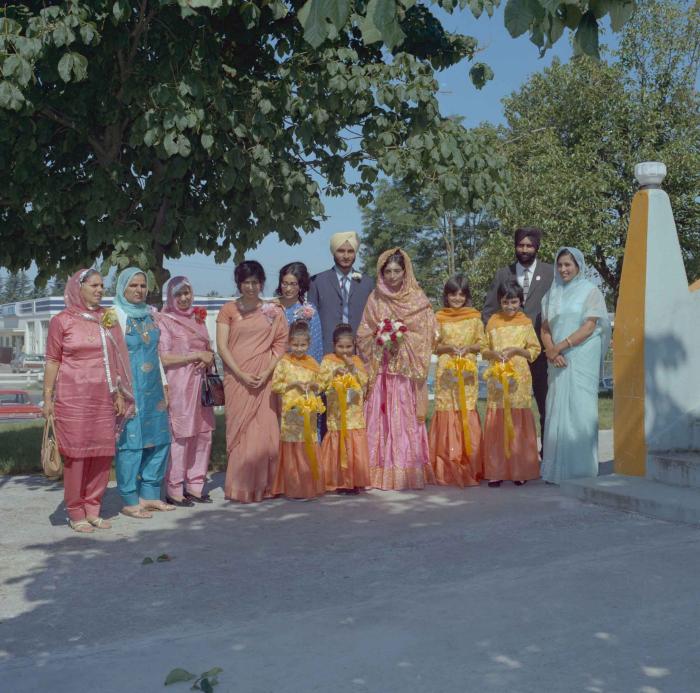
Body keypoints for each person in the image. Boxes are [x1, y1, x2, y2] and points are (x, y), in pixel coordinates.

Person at [43, 269, 133, 533]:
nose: (99, 289)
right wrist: (47, 398)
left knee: (102, 454)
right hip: (73, 398)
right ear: (77, 287)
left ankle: (93, 507)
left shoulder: (107, 318)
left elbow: (116, 359)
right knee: (77, 456)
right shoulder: (62, 320)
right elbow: (53, 360)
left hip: (103, 397)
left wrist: (118, 393)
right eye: (94, 285)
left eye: (102, 285)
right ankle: (75, 510)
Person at [357, 248, 437, 490]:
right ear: (381, 273)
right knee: (378, 419)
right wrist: (381, 339)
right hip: (381, 372)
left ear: (405, 272)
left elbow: (427, 334)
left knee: (403, 418)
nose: (392, 276)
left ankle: (405, 470)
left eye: (397, 271)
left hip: (404, 375)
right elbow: (363, 333)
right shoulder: (375, 299)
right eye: (387, 271)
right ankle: (376, 470)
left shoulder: (418, 299)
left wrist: (400, 340)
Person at [216, 261, 288, 502]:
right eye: (246, 282)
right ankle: (241, 486)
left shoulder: (274, 311)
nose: (251, 287)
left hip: (264, 378)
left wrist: (267, 372)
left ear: (262, 283)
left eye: (255, 282)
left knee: (266, 430)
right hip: (237, 378)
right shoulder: (228, 310)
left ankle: (267, 486)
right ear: (239, 284)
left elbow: (280, 345)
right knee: (240, 431)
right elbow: (222, 347)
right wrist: (240, 374)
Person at [540, 247, 611, 484]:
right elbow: (545, 328)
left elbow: (590, 326)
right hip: (557, 359)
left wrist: (559, 347)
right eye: (560, 265)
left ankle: (580, 470)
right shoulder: (550, 295)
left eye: (568, 264)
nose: (563, 269)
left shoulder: (590, 291)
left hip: (581, 356)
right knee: (556, 408)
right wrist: (552, 351)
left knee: (580, 409)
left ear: (578, 266)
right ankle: (555, 470)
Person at [483, 228, 554, 441]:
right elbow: (488, 311)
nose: (524, 249)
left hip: (540, 351)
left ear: (536, 247)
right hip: (507, 359)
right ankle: (509, 455)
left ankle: (547, 452)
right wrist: (498, 341)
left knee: (545, 403)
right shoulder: (503, 273)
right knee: (507, 407)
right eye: (520, 245)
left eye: (529, 245)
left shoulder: (550, 273)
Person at [114, 267, 173, 518]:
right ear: (122, 288)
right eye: (133, 286)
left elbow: (155, 353)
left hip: (153, 387)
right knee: (131, 443)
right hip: (128, 388)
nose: (139, 290)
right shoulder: (114, 315)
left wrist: (165, 383)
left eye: (142, 286)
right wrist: (116, 390)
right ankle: (129, 499)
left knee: (160, 439)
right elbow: (111, 355)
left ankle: (149, 494)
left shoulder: (150, 315)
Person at [158, 276, 216, 506]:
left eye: (187, 293)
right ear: (171, 297)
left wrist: (208, 359)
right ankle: (174, 489)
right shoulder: (165, 320)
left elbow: (208, 349)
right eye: (178, 294)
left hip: (201, 386)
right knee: (181, 436)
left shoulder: (198, 318)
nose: (184, 298)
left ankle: (195, 485)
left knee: (203, 435)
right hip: (180, 386)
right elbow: (164, 357)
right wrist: (195, 356)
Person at [481, 279, 541, 487]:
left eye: (514, 302)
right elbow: (483, 349)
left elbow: (534, 350)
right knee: (498, 420)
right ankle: (496, 470)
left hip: (519, 378)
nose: (510, 307)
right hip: (497, 377)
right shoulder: (492, 322)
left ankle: (519, 469)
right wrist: (493, 354)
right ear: (500, 301)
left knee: (516, 420)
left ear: (521, 301)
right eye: (506, 302)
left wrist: (516, 351)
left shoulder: (525, 323)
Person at [429, 275, 484, 487]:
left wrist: (469, 348)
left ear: (467, 296)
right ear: (446, 295)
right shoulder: (438, 317)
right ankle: (445, 467)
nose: (457, 298)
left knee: (466, 409)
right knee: (447, 409)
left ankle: (470, 464)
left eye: (461, 294)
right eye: (453, 294)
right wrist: (448, 349)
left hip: (467, 371)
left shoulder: (474, 318)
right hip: (446, 370)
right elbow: (433, 345)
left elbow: (483, 343)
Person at [271, 320, 326, 499]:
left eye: (303, 345)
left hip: (308, 414)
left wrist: (313, 385)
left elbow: (322, 384)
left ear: (309, 344)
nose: (299, 348)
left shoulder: (312, 362)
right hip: (291, 414)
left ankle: (309, 486)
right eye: (295, 344)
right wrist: (292, 384)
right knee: (293, 448)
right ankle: (294, 488)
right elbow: (276, 385)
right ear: (289, 343)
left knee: (307, 446)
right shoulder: (284, 363)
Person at [319, 323, 370, 494]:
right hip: (336, 413)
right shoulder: (328, 361)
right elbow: (321, 384)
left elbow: (364, 381)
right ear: (334, 345)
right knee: (338, 440)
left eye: (348, 346)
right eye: (340, 347)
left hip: (354, 413)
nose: (345, 350)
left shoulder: (356, 361)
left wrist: (352, 368)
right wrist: (334, 374)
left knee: (353, 444)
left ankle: (354, 480)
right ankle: (338, 480)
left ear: (354, 345)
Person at [308, 231, 374, 354]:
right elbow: (311, 322)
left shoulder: (367, 283)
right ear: (333, 252)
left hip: (360, 350)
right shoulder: (317, 281)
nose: (346, 256)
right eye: (341, 251)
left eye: (350, 251)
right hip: (326, 350)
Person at [275, 262, 324, 363]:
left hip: (300, 368)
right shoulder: (270, 308)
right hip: (273, 365)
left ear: (301, 284)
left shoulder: (309, 310)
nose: (288, 289)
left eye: (293, 284)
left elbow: (315, 345)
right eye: (285, 283)